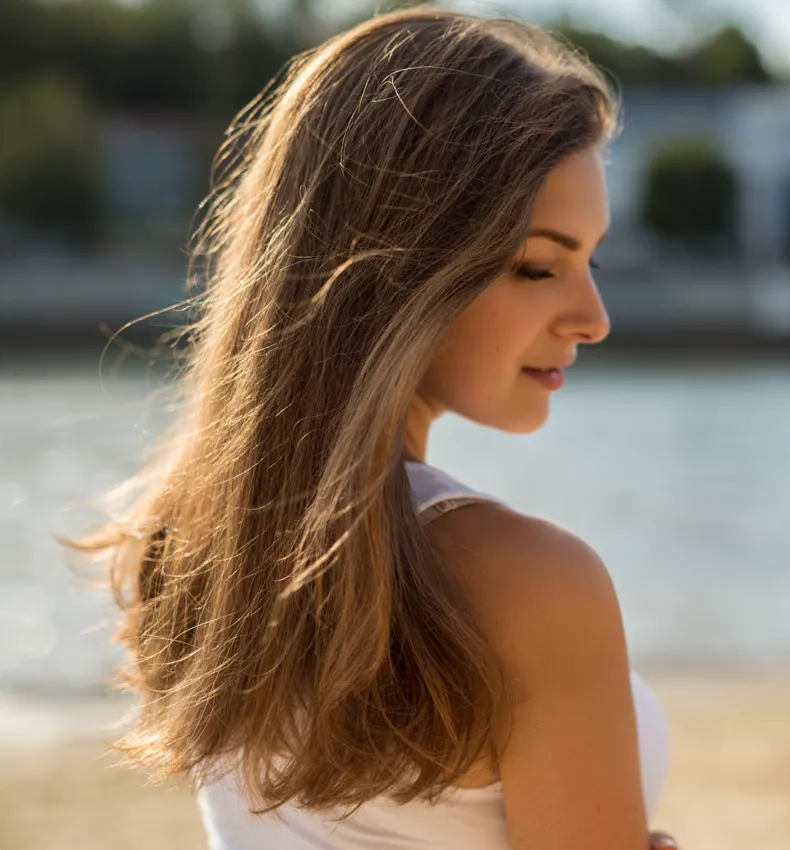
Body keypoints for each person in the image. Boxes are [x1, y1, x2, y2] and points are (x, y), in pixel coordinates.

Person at [69, 8, 678, 849]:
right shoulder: (534, 586)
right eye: (540, 265)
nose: (594, 318)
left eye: (591, 260)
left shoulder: (180, 546)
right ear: (399, 270)